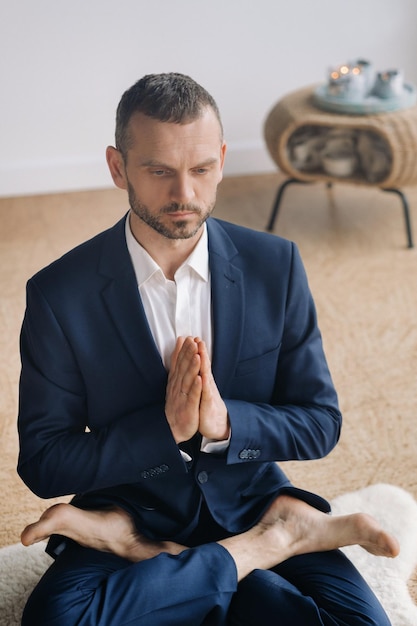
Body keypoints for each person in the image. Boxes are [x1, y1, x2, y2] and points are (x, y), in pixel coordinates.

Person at [17, 72, 398, 626]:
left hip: (252, 502)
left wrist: (225, 424)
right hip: (129, 508)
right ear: (117, 167)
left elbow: (321, 422)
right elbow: (45, 463)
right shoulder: (58, 294)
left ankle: (175, 568)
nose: (185, 194)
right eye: (159, 171)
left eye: (201, 169)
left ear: (222, 158)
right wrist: (163, 433)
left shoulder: (277, 266)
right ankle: (262, 549)